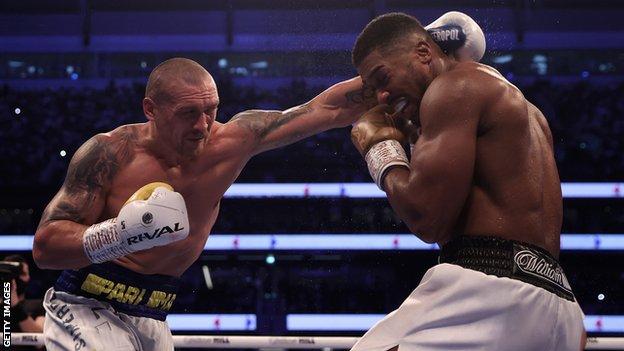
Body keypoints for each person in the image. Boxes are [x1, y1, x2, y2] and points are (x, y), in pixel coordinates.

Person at [350, 12, 586, 351]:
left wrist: (381, 149)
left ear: (423, 52)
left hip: (491, 291)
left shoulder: (453, 87)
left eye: (382, 78)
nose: (382, 97)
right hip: (559, 307)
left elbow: (427, 219)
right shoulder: (526, 110)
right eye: (372, 91)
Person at [1, 255, 45, 350]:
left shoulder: (39, 305)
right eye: (15, 273)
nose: (17, 277)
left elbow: (40, 341)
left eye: (23, 273)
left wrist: (14, 303)